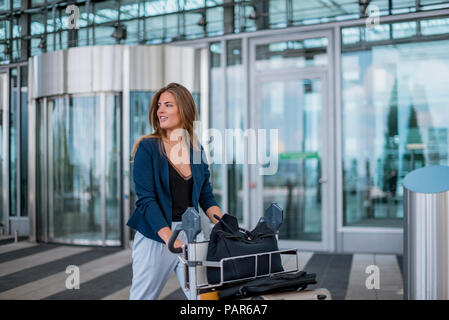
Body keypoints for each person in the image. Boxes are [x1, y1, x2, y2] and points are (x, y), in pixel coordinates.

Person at [126, 82, 223, 300]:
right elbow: (146, 200)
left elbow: (206, 196)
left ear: (184, 109)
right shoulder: (147, 148)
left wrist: (224, 224)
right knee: (143, 297)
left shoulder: (196, 149)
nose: (160, 110)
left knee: (205, 298)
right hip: (156, 234)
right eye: (159, 105)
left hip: (191, 231)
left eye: (168, 105)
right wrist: (170, 237)